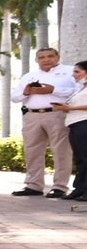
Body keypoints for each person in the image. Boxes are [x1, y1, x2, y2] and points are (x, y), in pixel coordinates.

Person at [9, 48, 78, 198]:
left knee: (61, 151)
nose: (46, 59)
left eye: (50, 56)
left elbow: (78, 90)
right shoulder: (29, 75)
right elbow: (14, 97)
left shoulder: (70, 71)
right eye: (42, 57)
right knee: (32, 151)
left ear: (58, 57)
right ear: (37, 60)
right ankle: (33, 185)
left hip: (57, 113)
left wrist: (53, 90)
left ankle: (60, 186)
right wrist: (27, 92)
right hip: (32, 115)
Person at [49, 60, 87, 201]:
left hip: (84, 123)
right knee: (80, 159)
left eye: (77, 72)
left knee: (85, 158)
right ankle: (80, 188)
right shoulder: (81, 88)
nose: (74, 75)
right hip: (74, 124)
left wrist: (70, 108)